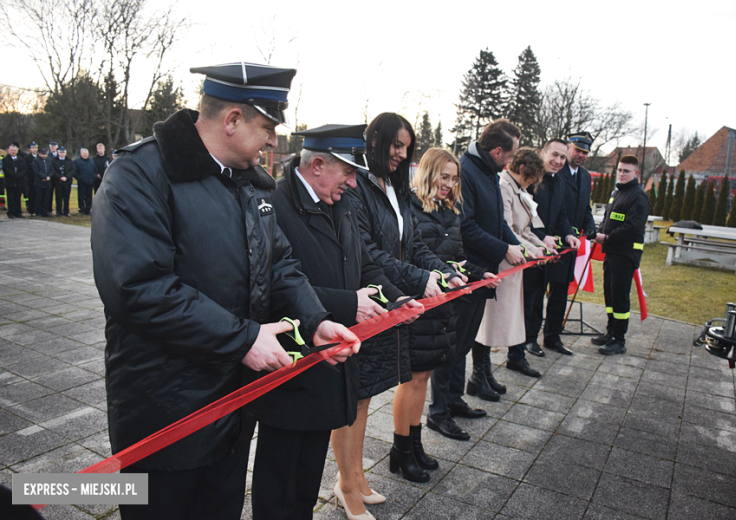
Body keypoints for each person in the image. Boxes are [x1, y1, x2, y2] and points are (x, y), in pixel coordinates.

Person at [91, 61, 360, 520]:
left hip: (232, 409)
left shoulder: (249, 184)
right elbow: (137, 287)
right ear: (232, 120)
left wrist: (315, 321)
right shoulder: (139, 174)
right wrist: (243, 338)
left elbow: (281, 267)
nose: (275, 140)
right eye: (268, 126)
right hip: (163, 413)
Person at [255, 123, 420, 520]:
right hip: (291, 368)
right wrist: (348, 305)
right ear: (316, 166)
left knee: (308, 476)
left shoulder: (341, 202)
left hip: (332, 362)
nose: (352, 182)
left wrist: (396, 298)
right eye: (347, 173)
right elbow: (273, 285)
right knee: (279, 478)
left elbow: (362, 263)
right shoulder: (273, 205)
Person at [339, 113, 461, 514]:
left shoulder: (396, 188)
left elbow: (413, 244)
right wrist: (416, 277)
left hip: (390, 299)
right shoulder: (357, 186)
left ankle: (356, 477)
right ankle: (346, 483)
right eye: (396, 146)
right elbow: (367, 251)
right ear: (375, 141)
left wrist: (441, 271)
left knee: (367, 395)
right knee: (355, 398)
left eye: (407, 148)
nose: (401, 154)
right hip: (367, 300)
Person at [426, 119, 526, 440]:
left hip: (482, 273)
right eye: (508, 157)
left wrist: (513, 244)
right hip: (465, 272)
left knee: (464, 343)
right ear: (496, 151)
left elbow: (496, 221)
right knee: (449, 345)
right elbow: (466, 227)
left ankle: (455, 400)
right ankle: (438, 412)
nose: (510, 163)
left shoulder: (489, 172)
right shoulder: (467, 171)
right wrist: (503, 249)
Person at [410, 147, 498, 443]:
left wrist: (478, 273)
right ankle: (438, 414)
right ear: (428, 172)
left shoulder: (452, 210)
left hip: (451, 296)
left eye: (453, 178)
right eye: (443, 176)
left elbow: (458, 256)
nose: (448, 184)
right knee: (430, 365)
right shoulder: (411, 208)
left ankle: (452, 402)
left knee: (456, 350)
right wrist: (443, 275)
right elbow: (416, 255)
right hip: (427, 297)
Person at [476, 148, 547, 375]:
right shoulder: (505, 186)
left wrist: (541, 246)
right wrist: (531, 250)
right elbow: (506, 228)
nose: (532, 183)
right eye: (531, 178)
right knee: (490, 323)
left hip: (515, 261)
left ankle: (485, 373)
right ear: (523, 169)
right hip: (504, 261)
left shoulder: (518, 188)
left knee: (501, 321)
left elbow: (524, 228)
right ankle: (481, 374)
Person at [526, 133, 597, 358]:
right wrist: (543, 236)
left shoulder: (582, 177)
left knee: (559, 293)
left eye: (562, 157)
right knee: (536, 293)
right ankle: (529, 338)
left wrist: (573, 233)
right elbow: (528, 215)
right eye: (577, 150)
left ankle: (553, 336)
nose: (559, 161)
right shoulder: (540, 177)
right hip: (538, 243)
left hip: (564, 246)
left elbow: (570, 211)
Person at [592, 155, 650, 354]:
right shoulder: (617, 192)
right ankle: (610, 332)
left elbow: (632, 228)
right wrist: (599, 233)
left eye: (626, 171)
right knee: (610, 293)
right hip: (611, 252)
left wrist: (606, 238)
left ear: (636, 173)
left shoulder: (638, 196)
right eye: (619, 170)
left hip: (625, 254)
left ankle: (619, 339)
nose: (622, 174)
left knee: (620, 297)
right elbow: (608, 219)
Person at [2, 143, 28, 218]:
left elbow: (25, 169)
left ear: (17, 151)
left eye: (15, 150)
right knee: (11, 198)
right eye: (12, 150)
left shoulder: (21, 159)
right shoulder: (5, 160)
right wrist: (14, 175)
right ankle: (11, 212)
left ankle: (18, 212)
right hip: (10, 181)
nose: (13, 151)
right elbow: (6, 169)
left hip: (19, 181)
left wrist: (19, 175)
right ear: (8, 151)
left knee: (18, 197)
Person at [73, 147, 98, 214]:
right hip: (82, 183)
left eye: (86, 153)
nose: (85, 155)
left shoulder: (91, 161)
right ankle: (82, 209)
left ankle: (88, 209)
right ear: (81, 154)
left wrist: (94, 177)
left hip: (90, 182)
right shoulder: (77, 162)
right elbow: (75, 172)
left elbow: (95, 170)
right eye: (84, 153)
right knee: (81, 196)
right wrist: (80, 178)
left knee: (89, 197)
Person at [52, 146, 73, 216]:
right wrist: (60, 177)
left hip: (67, 181)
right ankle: (59, 211)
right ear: (58, 153)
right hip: (58, 181)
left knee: (66, 197)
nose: (62, 154)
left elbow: (73, 170)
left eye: (63, 152)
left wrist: (67, 177)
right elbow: (53, 171)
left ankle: (66, 211)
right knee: (58, 197)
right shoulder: (54, 161)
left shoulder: (69, 161)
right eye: (61, 152)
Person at [32, 148, 53, 217]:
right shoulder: (36, 161)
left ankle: (45, 211)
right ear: (39, 154)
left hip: (48, 182)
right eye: (43, 154)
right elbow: (36, 170)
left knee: (46, 198)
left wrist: (49, 176)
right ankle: (38, 212)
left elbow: (52, 170)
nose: (44, 155)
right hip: (39, 182)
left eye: (45, 154)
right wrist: (44, 177)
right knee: (39, 198)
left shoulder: (49, 160)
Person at [24, 142, 38, 215]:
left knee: (38, 195)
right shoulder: (27, 158)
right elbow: (27, 169)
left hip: (38, 179)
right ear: (29, 149)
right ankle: (31, 210)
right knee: (31, 195)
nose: (34, 149)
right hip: (31, 180)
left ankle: (37, 209)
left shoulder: (39, 157)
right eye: (33, 148)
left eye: (35, 148)